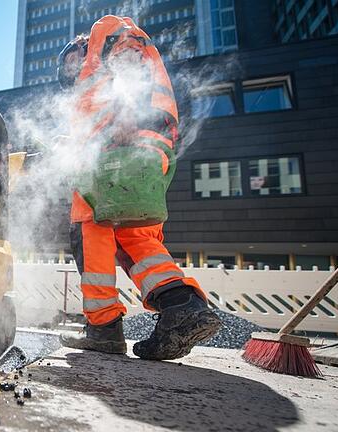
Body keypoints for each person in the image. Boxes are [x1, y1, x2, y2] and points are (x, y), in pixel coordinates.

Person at [56, 15, 221, 360]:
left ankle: (103, 329)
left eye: (73, 58)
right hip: (147, 151)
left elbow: (128, 57)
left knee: (88, 228)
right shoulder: (104, 63)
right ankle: (181, 305)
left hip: (119, 150)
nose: (72, 70)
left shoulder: (106, 32)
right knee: (137, 237)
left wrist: (124, 116)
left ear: (83, 44)